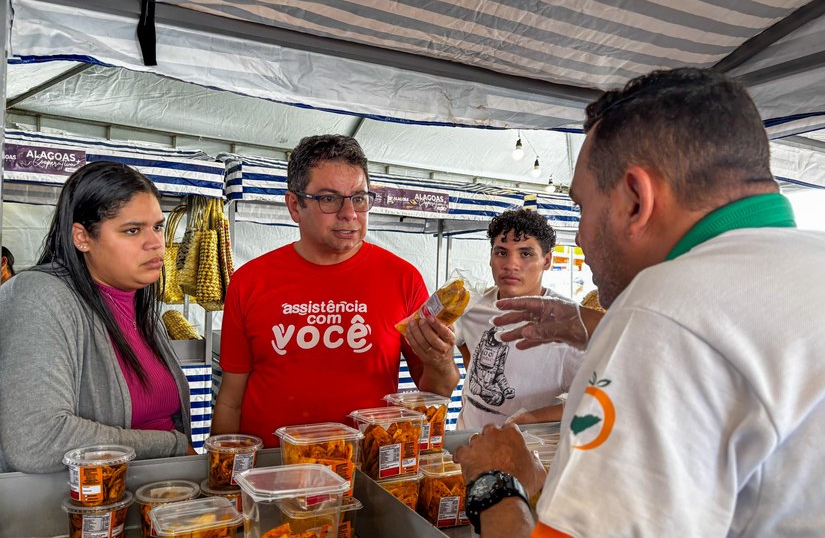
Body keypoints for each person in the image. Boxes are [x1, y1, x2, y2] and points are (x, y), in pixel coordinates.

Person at [454, 67, 825, 538]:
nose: (583, 237)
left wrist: (495, 483)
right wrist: (589, 324)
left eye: (583, 208)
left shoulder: (661, 314)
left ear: (635, 199)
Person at [212, 134, 459, 447]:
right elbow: (231, 400)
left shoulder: (402, 278)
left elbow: (436, 394)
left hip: (366, 467)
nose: (349, 213)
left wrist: (442, 361)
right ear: (294, 205)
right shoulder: (250, 281)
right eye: (329, 199)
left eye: (359, 198)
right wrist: (224, 473)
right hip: (272, 471)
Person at [0, 161, 194, 474]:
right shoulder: (38, 297)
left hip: (148, 498)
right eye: (132, 230)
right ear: (82, 237)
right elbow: (36, 441)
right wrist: (169, 445)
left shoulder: (140, 303)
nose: (156, 243)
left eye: (157, 226)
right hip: (77, 509)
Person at [455, 208, 585, 429]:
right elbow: (461, 342)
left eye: (525, 254)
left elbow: (595, 399)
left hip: (530, 456)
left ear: (547, 260)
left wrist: (530, 419)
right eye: (502, 252)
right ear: (490, 257)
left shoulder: (568, 321)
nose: (511, 265)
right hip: (468, 447)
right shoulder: (472, 307)